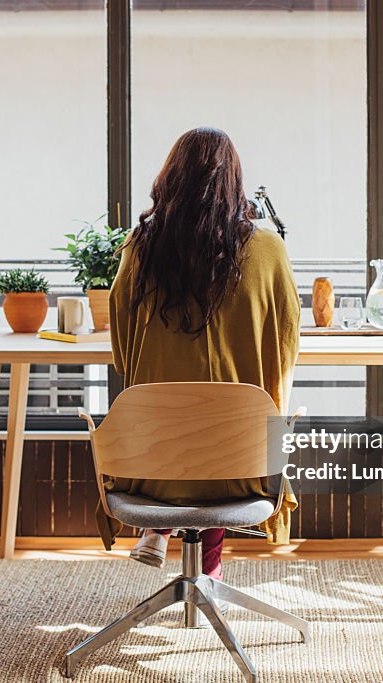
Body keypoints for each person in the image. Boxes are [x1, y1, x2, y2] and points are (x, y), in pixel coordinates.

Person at [95, 127, 301, 580]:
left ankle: (161, 531)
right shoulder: (267, 249)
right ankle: (208, 574)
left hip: (149, 466)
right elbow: (285, 345)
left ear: (170, 179)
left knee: (183, 420)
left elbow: (123, 354)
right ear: (235, 184)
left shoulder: (140, 247)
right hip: (242, 469)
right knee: (230, 417)